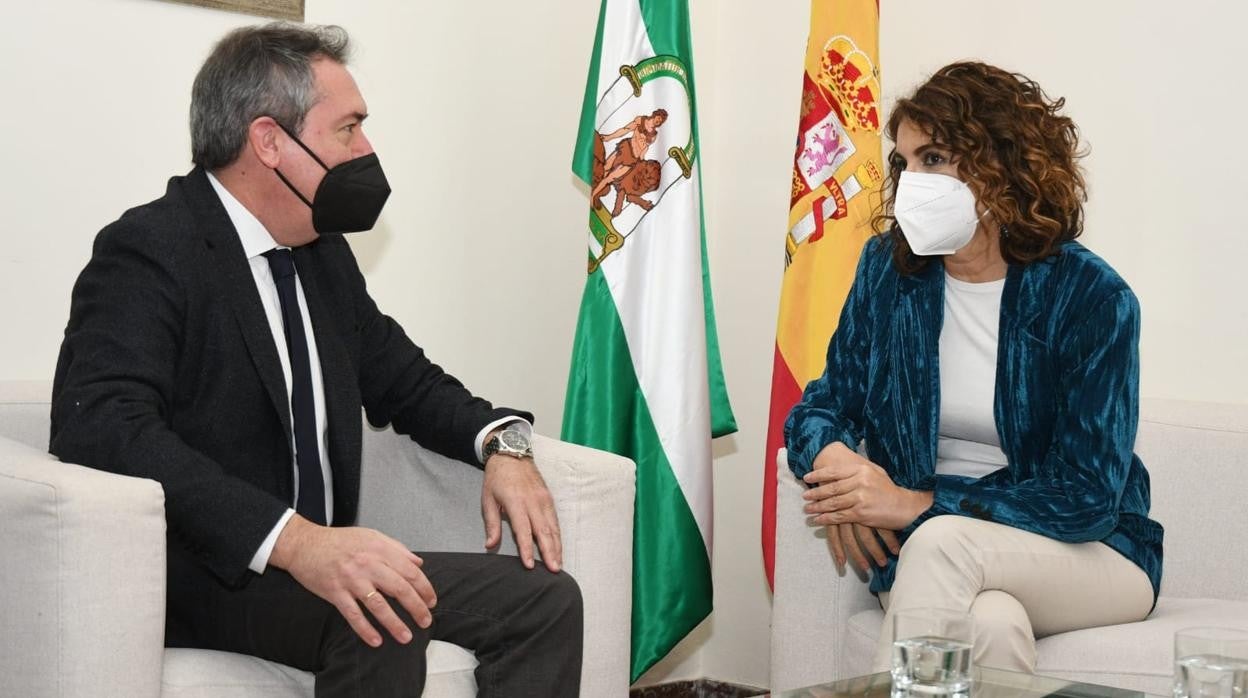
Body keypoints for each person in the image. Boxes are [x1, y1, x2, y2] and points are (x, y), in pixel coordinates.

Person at [49, 23, 581, 696]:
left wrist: (503, 442)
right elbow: (102, 422)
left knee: (544, 601)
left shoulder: (321, 254)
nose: (368, 149)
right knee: (379, 612)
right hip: (205, 570)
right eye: (348, 129)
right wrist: (295, 541)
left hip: (318, 564)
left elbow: (406, 381)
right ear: (270, 141)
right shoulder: (151, 248)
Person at [784, 61, 1163, 673]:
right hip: (934, 555)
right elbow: (824, 404)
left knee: (939, 539)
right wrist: (835, 464)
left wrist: (915, 504)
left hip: (1089, 551)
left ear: (1003, 167)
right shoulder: (889, 270)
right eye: (903, 162)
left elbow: (1086, 496)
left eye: (933, 158)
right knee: (988, 625)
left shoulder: (1091, 297)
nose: (911, 181)